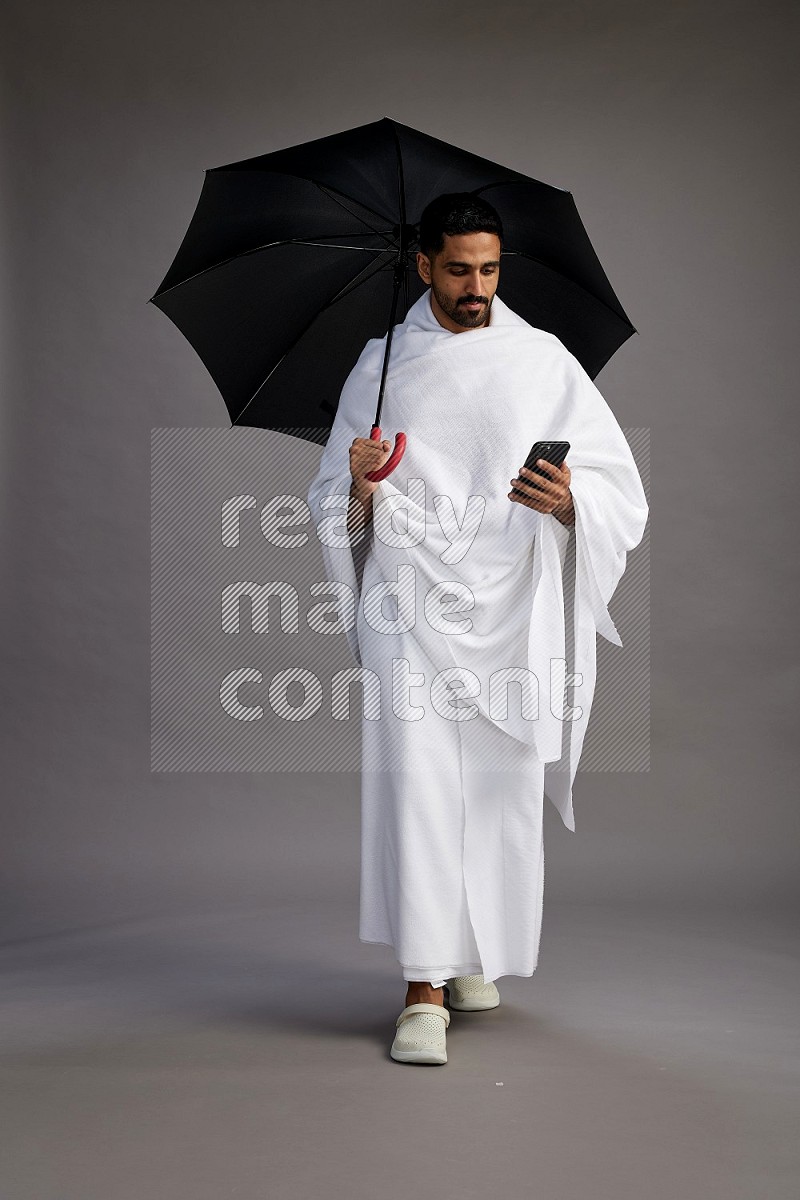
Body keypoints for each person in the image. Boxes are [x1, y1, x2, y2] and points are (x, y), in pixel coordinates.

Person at [306, 193, 648, 1065]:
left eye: (489, 269)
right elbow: (332, 507)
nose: (475, 287)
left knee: (497, 783)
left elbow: (619, 487)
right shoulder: (381, 365)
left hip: (509, 601)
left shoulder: (542, 361)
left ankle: (470, 956)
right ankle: (424, 985)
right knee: (419, 781)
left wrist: (572, 503)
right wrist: (358, 485)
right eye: (458, 268)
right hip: (409, 601)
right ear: (423, 265)